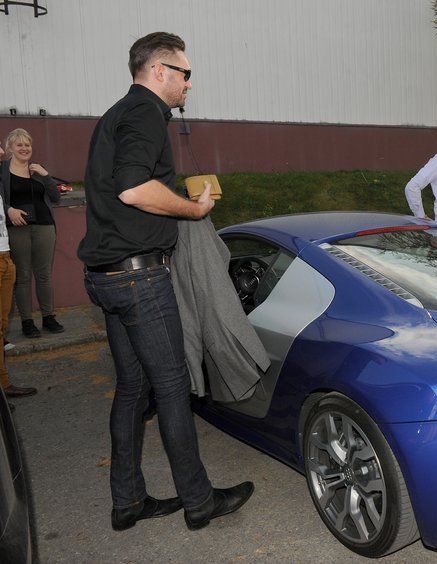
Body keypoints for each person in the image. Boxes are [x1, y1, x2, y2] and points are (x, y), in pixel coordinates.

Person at [77, 31, 253, 532]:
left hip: (106, 278)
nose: (188, 85)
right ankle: (199, 502)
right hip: (138, 279)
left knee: (133, 388)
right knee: (173, 386)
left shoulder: (115, 114)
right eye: (185, 73)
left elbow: (120, 187)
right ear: (160, 71)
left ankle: (128, 501)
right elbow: (134, 189)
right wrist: (193, 209)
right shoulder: (146, 113)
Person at [1, 128, 64, 338]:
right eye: (19, 145)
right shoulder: (2, 171)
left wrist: (46, 176)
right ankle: (27, 322)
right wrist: (8, 209)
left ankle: (48, 317)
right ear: (10, 148)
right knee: (23, 276)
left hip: (44, 226)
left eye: (27, 144)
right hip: (17, 228)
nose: (24, 148)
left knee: (44, 274)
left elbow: (56, 197)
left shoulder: (38, 171)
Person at [0, 145, 37, 399]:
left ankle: (3, 385)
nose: (1, 150)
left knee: (0, 326)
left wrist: (8, 209)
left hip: (4, 254)